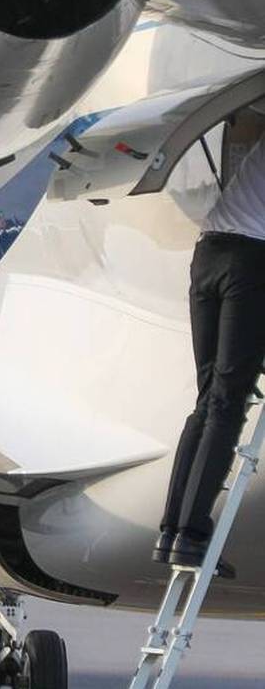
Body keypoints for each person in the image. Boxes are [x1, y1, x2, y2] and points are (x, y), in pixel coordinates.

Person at [154, 134, 265, 571]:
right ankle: (193, 534)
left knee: (207, 400)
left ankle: (172, 531)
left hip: (209, 253)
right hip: (250, 261)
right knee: (227, 403)